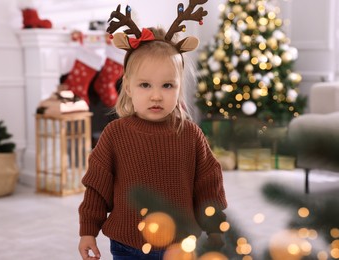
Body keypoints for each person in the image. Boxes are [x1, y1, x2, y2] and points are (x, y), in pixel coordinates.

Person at [78, 3, 227, 260]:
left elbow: (208, 186)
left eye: (167, 85)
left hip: (180, 245)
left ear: (179, 87)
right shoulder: (115, 134)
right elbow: (96, 187)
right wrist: (88, 230)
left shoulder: (191, 135)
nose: (156, 95)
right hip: (127, 244)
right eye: (145, 85)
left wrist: (214, 228)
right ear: (128, 87)